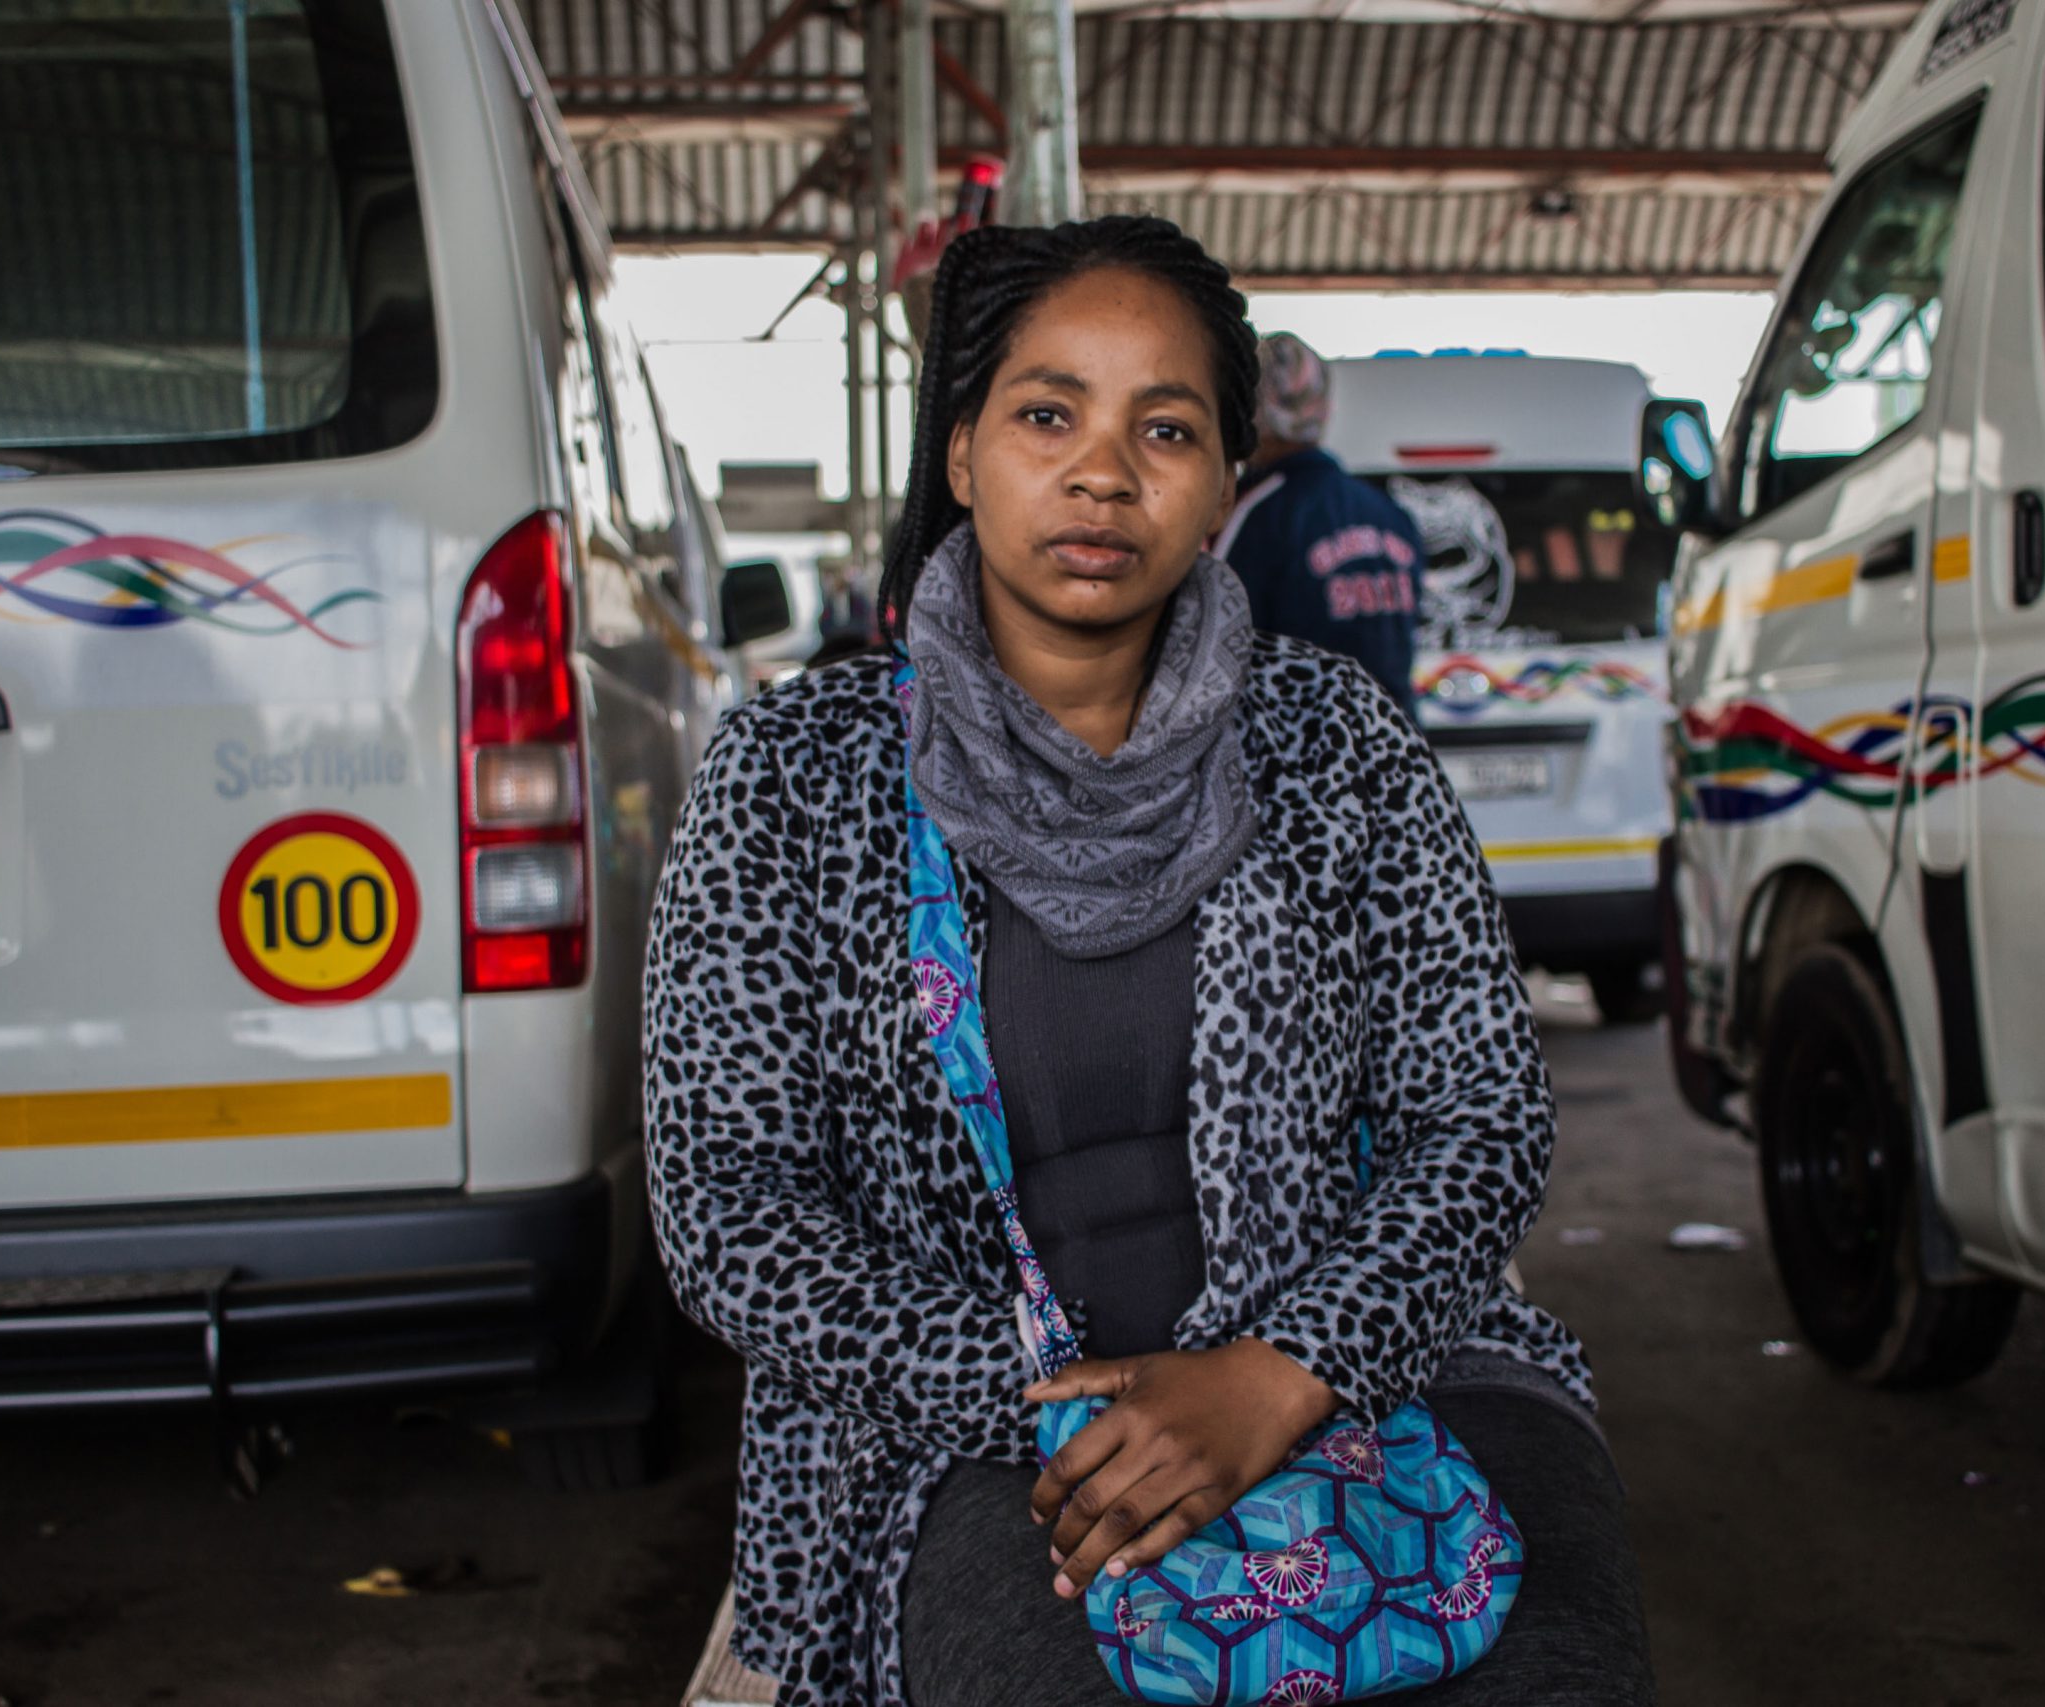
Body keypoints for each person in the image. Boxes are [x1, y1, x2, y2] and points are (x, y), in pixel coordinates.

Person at [642, 216, 1653, 1707]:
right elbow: (726, 1202)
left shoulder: (1334, 743)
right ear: (964, 452)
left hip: (1379, 1373)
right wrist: (1071, 1407)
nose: (1103, 470)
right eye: (1050, 413)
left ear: (1224, 485)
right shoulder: (796, 776)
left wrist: (1280, 1372)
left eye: (1164, 427)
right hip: (960, 1433)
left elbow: (1481, 1113)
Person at [1214, 332, 1426, 719]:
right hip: (1396, 753)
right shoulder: (1388, 514)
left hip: (1300, 758)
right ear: (1323, 406)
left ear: (1251, 410)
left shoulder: (1252, 514)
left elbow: (1217, 644)